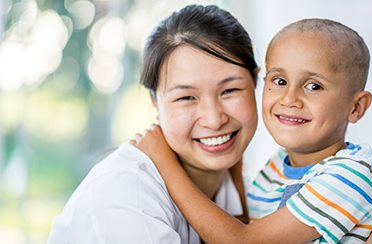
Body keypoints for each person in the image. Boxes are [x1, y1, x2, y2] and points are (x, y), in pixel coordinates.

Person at [134, 18, 372, 243]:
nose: (289, 99)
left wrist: (165, 163)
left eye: (313, 86)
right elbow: (244, 226)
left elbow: (239, 240)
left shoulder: (350, 176)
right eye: (279, 81)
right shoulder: (276, 168)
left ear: (356, 107)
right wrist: (234, 168)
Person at [47, 4, 258, 244]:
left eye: (230, 90)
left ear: (257, 82)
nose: (214, 119)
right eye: (186, 98)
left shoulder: (248, 189)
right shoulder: (126, 193)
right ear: (155, 102)